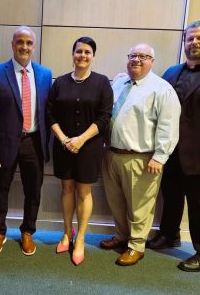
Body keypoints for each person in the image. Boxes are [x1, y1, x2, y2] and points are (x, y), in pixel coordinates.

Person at [100, 43, 181, 266]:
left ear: (151, 61)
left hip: (143, 159)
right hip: (112, 154)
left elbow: (169, 126)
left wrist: (160, 157)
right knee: (115, 202)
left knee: (140, 206)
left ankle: (136, 245)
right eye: (133, 55)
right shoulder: (118, 82)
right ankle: (121, 236)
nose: (136, 59)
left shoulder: (162, 89)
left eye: (143, 56)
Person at [0, 26, 52, 257]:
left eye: (29, 43)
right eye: (20, 42)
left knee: (34, 191)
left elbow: (47, 112)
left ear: (34, 46)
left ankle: (27, 232)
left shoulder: (44, 74)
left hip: (34, 143)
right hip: (4, 145)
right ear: (12, 45)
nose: (24, 47)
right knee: (0, 189)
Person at [46, 37, 113, 265]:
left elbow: (104, 117)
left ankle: (81, 238)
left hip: (90, 146)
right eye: (78, 51)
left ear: (93, 56)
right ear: (72, 54)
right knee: (66, 188)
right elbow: (50, 114)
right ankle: (67, 232)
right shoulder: (60, 82)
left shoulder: (102, 83)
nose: (82, 55)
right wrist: (65, 139)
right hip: (63, 146)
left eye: (87, 52)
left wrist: (81, 139)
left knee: (84, 192)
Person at [147, 21, 200, 272]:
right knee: (171, 197)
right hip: (171, 151)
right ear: (183, 41)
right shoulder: (171, 72)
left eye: (199, 38)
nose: (194, 43)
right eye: (190, 38)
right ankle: (169, 235)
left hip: (198, 154)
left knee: (198, 205)